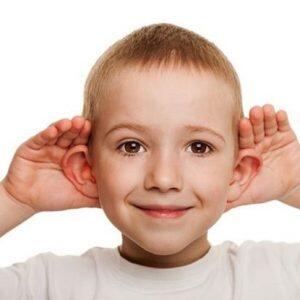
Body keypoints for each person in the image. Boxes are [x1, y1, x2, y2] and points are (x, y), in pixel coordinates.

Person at [0, 22, 299, 299]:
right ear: (87, 168)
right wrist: (14, 199)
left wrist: (295, 184)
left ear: (238, 172)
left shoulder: (278, 276)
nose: (164, 179)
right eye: (132, 146)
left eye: (198, 147)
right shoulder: (46, 286)